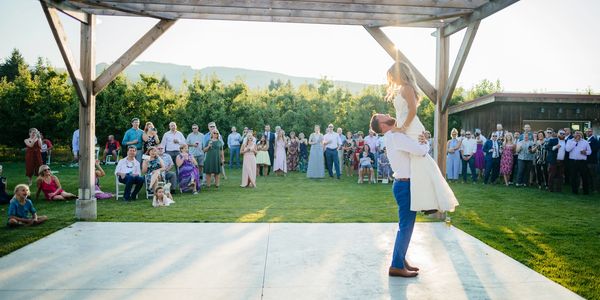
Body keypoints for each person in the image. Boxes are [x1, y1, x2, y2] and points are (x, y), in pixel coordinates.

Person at [386, 62, 459, 213]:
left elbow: (412, 111)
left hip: (410, 126)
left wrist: (402, 128)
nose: (392, 79)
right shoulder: (402, 89)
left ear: (401, 74)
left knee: (421, 159)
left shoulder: (407, 88)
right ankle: (428, 202)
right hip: (406, 125)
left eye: (393, 75)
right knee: (418, 164)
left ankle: (431, 202)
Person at [370, 113, 430, 277]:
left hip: (403, 184)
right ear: (382, 125)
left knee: (406, 226)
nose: (389, 115)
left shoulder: (393, 136)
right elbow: (420, 151)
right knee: (406, 227)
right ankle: (396, 265)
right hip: (405, 185)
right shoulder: (395, 136)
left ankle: (400, 259)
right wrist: (426, 144)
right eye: (385, 116)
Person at [585, 128, 599, 192]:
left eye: (588, 132)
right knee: (588, 175)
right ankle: (590, 187)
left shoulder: (594, 140)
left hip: (592, 161)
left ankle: (595, 189)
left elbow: (595, 149)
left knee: (593, 175)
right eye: (586, 132)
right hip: (587, 161)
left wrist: (586, 151)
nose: (587, 133)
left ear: (591, 132)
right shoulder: (587, 139)